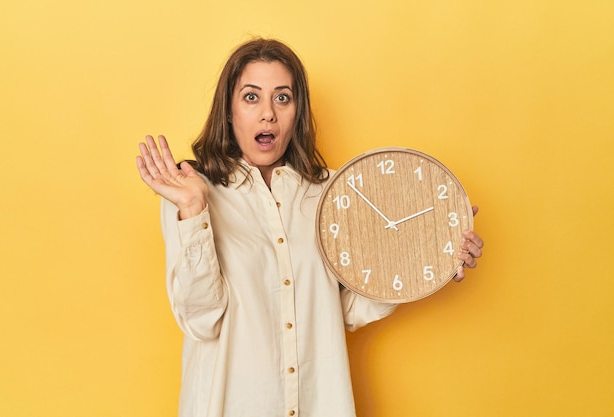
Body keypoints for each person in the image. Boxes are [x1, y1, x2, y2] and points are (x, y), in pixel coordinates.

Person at [136, 38, 484, 417]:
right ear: (229, 110)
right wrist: (192, 209)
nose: (268, 114)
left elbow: (349, 308)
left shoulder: (331, 192)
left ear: (297, 110)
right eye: (251, 97)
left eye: (282, 98)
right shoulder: (193, 192)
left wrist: (430, 258)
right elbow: (201, 319)